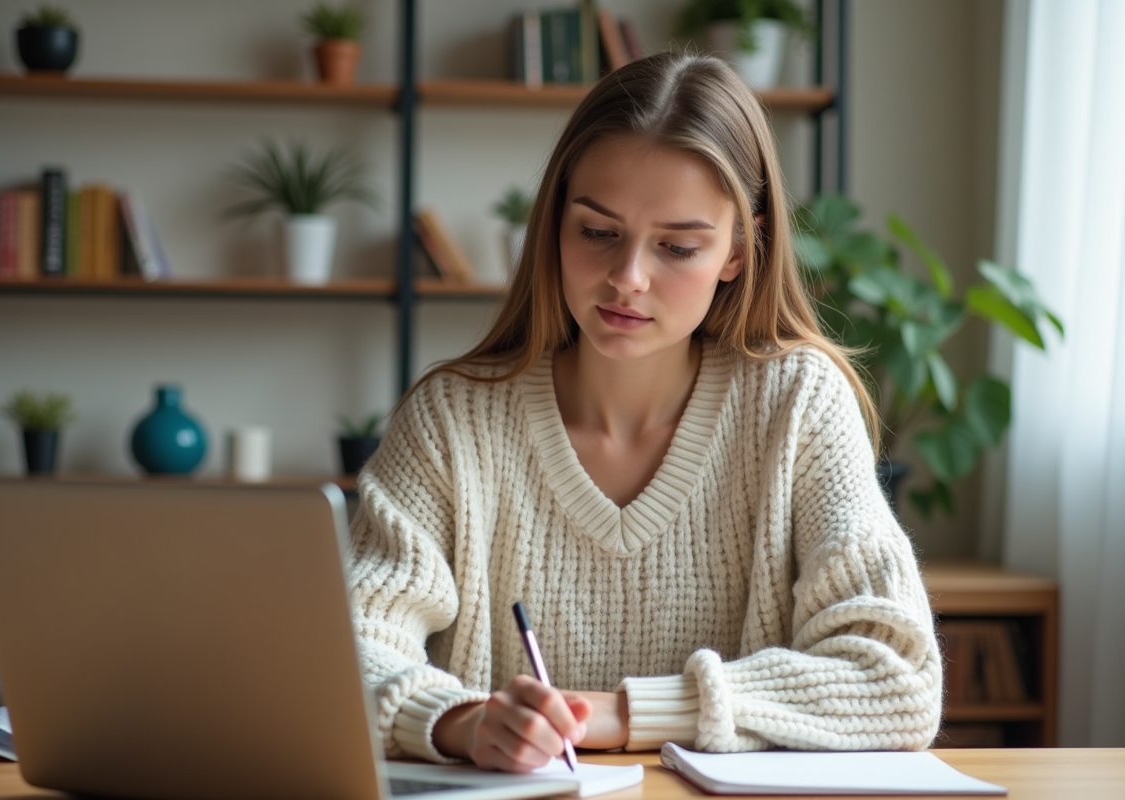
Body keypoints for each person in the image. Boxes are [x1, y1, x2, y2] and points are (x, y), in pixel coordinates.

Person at [346, 51, 942, 773]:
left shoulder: (797, 406)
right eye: (597, 233)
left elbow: (896, 678)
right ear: (554, 223)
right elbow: (351, 651)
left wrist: (624, 714)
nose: (627, 278)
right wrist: (458, 722)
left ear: (738, 250)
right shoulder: (451, 421)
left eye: (678, 247)